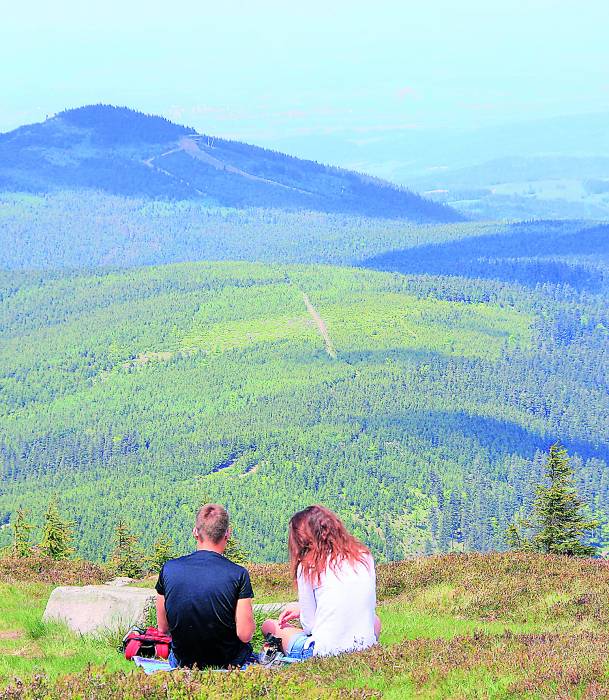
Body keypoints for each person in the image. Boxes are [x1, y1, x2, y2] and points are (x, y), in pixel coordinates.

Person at [262, 505, 381, 660]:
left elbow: (309, 626)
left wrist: (303, 611)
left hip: (323, 651)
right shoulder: (364, 556)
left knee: (269, 625)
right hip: (365, 646)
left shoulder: (308, 566)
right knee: (376, 621)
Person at [155, 504, 255, 668]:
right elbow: (245, 635)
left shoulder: (169, 569)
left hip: (183, 661)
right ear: (227, 533)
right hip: (227, 662)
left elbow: (163, 628)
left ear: (195, 532)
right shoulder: (238, 574)